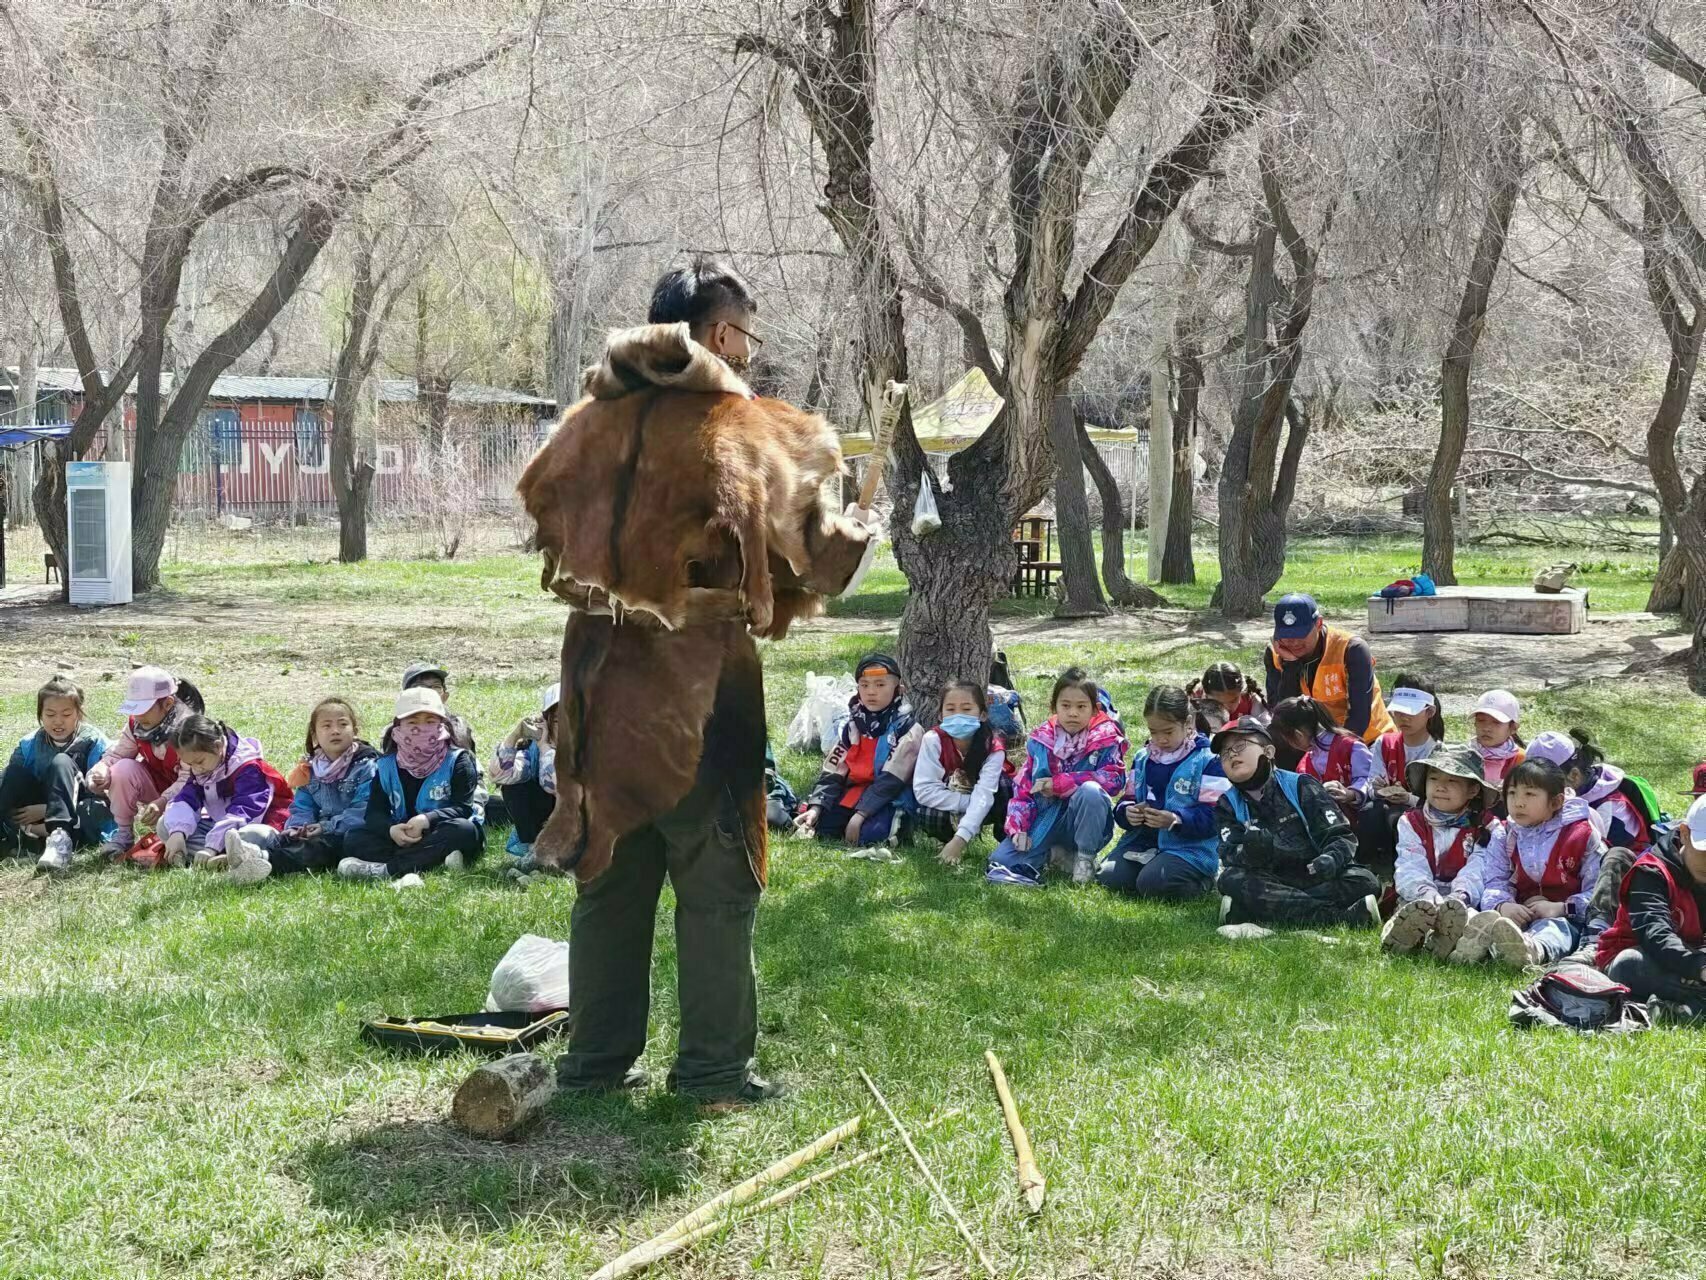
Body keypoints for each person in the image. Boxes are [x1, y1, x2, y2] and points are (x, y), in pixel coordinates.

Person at [522, 258, 877, 1106]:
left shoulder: (582, 424)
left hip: (597, 679)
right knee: (716, 878)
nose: (750, 355)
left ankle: (596, 1065)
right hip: (696, 684)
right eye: (747, 336)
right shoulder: (741, 428)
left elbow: (543, 514)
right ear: (720, 335)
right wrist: (860, 526)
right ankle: (714, 1072)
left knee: (608, 871)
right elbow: (820, 566)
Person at [1212, 716, 1382, 928]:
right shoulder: (1226, 804)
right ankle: (1337, 918)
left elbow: (1340, 835)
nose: (1231, 755)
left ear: (1268, 752)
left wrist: (1330, 858)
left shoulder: (1301, 785)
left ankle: (1254, 911)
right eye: (1224, 753)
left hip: (1314, 875)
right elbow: (1228, 854)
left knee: (1365, 881)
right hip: (1268, 880)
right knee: (1231, 879)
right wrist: (1248, 852)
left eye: (1240, 746)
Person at [1451, 759, 1604, 968]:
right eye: (1512, 793)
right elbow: (1495, 880)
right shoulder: (1505, 833)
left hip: (1565, 917)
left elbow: (1599, 895)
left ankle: (1531, 950)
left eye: (1530, 794)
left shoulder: (1582, 836)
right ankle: (1472, 939)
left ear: (1556, 802)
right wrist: (1502, 905)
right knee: (1493, 918)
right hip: (1518, 912)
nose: (1518, 802)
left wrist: (1562, 907)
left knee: (1555, 929)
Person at [986, 667, 1127, 888]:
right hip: (1046, 817)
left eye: (1081, 707)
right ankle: (1056, 855)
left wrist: (1063, 784)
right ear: (1054, 708)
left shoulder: (1106, 740)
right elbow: (1023, 790)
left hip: (1083, 819)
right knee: (1001, 860)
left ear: (1095, 710)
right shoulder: (1041, 742)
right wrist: (1018, 829)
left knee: (1090, 791)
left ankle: (1084, 858)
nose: (1073, 713)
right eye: (1066, 706)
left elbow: (1114, 780)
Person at [222, 697, 378, 885]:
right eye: (326, 726)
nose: (335, 731)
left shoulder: (367, 765)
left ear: (355, 730)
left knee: (318, 847)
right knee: (259, 833)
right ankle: (248, 854)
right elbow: (302, 805)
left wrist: (325, 827)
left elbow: (363, 810)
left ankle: (261, 859)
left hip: (345, 832)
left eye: (343, 724)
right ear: (314, 735)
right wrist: (297, 828)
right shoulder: (310, 767)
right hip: (315, 830)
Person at [339, 687, 484, 880]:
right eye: (412, 722)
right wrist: (391, 830)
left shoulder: (458, 760)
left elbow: (463, 808)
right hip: (403, 834)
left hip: (440, 830)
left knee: (464, 830)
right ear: (399, 726)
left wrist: (426, 819)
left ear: (442, 724)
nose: (420, 729)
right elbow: (374, 813)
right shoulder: (386, 765)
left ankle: (387, 870)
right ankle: (434, 860)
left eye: (430, 721)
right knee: (354, 838)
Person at [1097, 685, 1227, 900]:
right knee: (1110, 877)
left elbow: (1217, 817)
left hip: (1189, 847)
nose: (1160, 739)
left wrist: (1176, 820)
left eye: (1168, 732)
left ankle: (1205, 880)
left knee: (1153, 883)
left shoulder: (1208, 760)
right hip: (1143, 842)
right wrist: (1128, 812)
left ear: (1187, 723)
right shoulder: (1143, 757)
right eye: (1153, 732)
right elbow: (1127, 799)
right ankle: (1151, 870)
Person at [1594, 793, 1706, 1021]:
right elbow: (1654, 933)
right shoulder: (1650, 873)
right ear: (1684, 834)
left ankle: (1688, 1008)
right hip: (1645, 955)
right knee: (1630, 965)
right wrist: (1700, 966)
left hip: (1693, 958)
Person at [1379, 747, 1498, 957]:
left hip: (1464, 898)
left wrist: (1460, 896)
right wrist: (1426, 893)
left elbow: (1480, 867)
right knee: (1411, 911)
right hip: (1421, 894)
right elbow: (1410, 863)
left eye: (1452, 781)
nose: (1441, 787)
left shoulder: (1487, 827)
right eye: (1434, 778)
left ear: (1473, 790)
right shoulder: (1410, 822)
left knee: (1466, 916)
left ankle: (1453, 942)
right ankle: (1400, 938)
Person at [798, 654, 921, 848]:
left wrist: (860, 815)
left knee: (869, 836)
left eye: (880, 685)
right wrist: (816, 807)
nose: (871, 692)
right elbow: (832, 770)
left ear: (899, 689)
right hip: (854, 792)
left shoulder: (908, 729)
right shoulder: (853, 725)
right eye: (864, 685)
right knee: (825, 830)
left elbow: (892, 781)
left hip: (888, 797)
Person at [84, 666, 203, 859]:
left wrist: (164, 801)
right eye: (134, 709)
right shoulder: (137, 724)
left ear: (168, 703)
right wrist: (101, 770)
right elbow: (118, 754)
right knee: (122, 769)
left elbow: (191, 778)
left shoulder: (188, 730)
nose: (138, 716)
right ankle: (123, 834)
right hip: (156, 788)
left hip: (191, 795)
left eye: (144, 709)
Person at [0, 676, 111, 874]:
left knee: (62, 761)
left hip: (74, 816)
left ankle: (59, 843)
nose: (58, 721)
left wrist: (48, 810)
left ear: (78, 713)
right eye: (50, 714)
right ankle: (13, 838)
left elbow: (103, 796)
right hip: (32, 817)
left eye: (66, 714)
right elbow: (10, 785)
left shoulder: (94, 743)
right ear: (40, 715)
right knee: (12, 773)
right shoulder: (28, 744)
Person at [156, 715, 293, 870]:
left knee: (252, 835)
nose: (196, 769)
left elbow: (246, 812)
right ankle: (225, 859)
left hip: (261, 824)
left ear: (218, 745)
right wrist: (178, 832)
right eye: (189, 764)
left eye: (199, 762)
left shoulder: (249, 768)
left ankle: (222, 855)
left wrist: (211, 847)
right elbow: (187, 798)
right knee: (165, 825)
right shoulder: (204, 765)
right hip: (220, 827)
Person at [1262, 593, 1395, 747]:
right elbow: (1282, 714)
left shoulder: (1352, 649)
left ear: (1318, 623)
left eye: (1300, 634)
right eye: (1286, 636)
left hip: (1367, 741)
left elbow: (1359, 718)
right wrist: (1291, 665)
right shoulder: (1275, 653)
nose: (1293, 642)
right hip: (1314, 742)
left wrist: (1333, 754)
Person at [912, 681, 1008, 866]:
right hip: (955, 802)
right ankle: (946, 840)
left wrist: (961, 839)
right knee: (929, 813)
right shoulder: (933, 740)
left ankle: (1007, 842)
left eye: (966, 709)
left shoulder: (993, 746)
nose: (958, 716)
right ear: (940, 715)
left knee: (1005, 787)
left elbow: (985, 794)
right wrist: (968, 803)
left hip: (989, 803)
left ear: (982, 715)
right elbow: (924, 790)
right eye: (950, 709)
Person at [1357, 674, 1447, 867]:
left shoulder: (1437, 750)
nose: (1403, 718)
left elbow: (1440, 800)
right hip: (1388, 804)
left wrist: (1408, 799)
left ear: (1429, 712)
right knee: (1369, 812)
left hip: (1422, 810)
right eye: (1398, 711)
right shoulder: (1384, 742)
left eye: (1411, 713)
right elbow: (1372, 782)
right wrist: (1377, 789)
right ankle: (1368, 859)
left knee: (1400, 817)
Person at [1528, 729, 1657, 854]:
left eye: (1544, 784)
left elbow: (1596, 862)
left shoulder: (1607, 810)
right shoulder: (1579, 786)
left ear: (1574, 776)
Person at [1269, 696, 1374, 817]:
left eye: (1288, 739)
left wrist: (1351, 794)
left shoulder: (1350, 747)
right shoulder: (1304, 765)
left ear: (1298, 735)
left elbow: (1369, 778)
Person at [491, 683, 560, 860]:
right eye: (559, 720)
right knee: (514, 786)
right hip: (546, 818)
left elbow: (557, 786)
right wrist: (516, 734)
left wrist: (546, 749)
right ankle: (530, 844)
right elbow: (500, 775)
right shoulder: (535, 749)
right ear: (547, 721)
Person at [1190, 661, 1267, 736]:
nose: (1226, 708)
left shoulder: (1252, 702)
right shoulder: (1195, 703)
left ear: (1241, 693)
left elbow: (1266, 731)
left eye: (1233, 701)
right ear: (1205, 696)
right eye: (1218, 703)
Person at [1469, 689, 1526, 788]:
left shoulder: (1520, 760)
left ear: (1513, 728)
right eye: (1481, 720)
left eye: (1496, 722)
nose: (1486, 728)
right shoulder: (1465, 754)